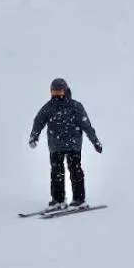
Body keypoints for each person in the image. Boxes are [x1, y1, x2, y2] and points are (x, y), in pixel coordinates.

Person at [28, 78, 102, 210]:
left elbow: (86, 125)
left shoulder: (75, 106)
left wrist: (95, 141)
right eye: (54, 92)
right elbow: (38, 121)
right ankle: (58, 200)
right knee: (56, 172)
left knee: (75, 170)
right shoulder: (49, 107)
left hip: (73, 145)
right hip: (56, 146)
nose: (57, 95)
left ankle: (79, 199)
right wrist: (34, 136)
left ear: (66, 90)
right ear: (51, 92)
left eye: (59, 91)